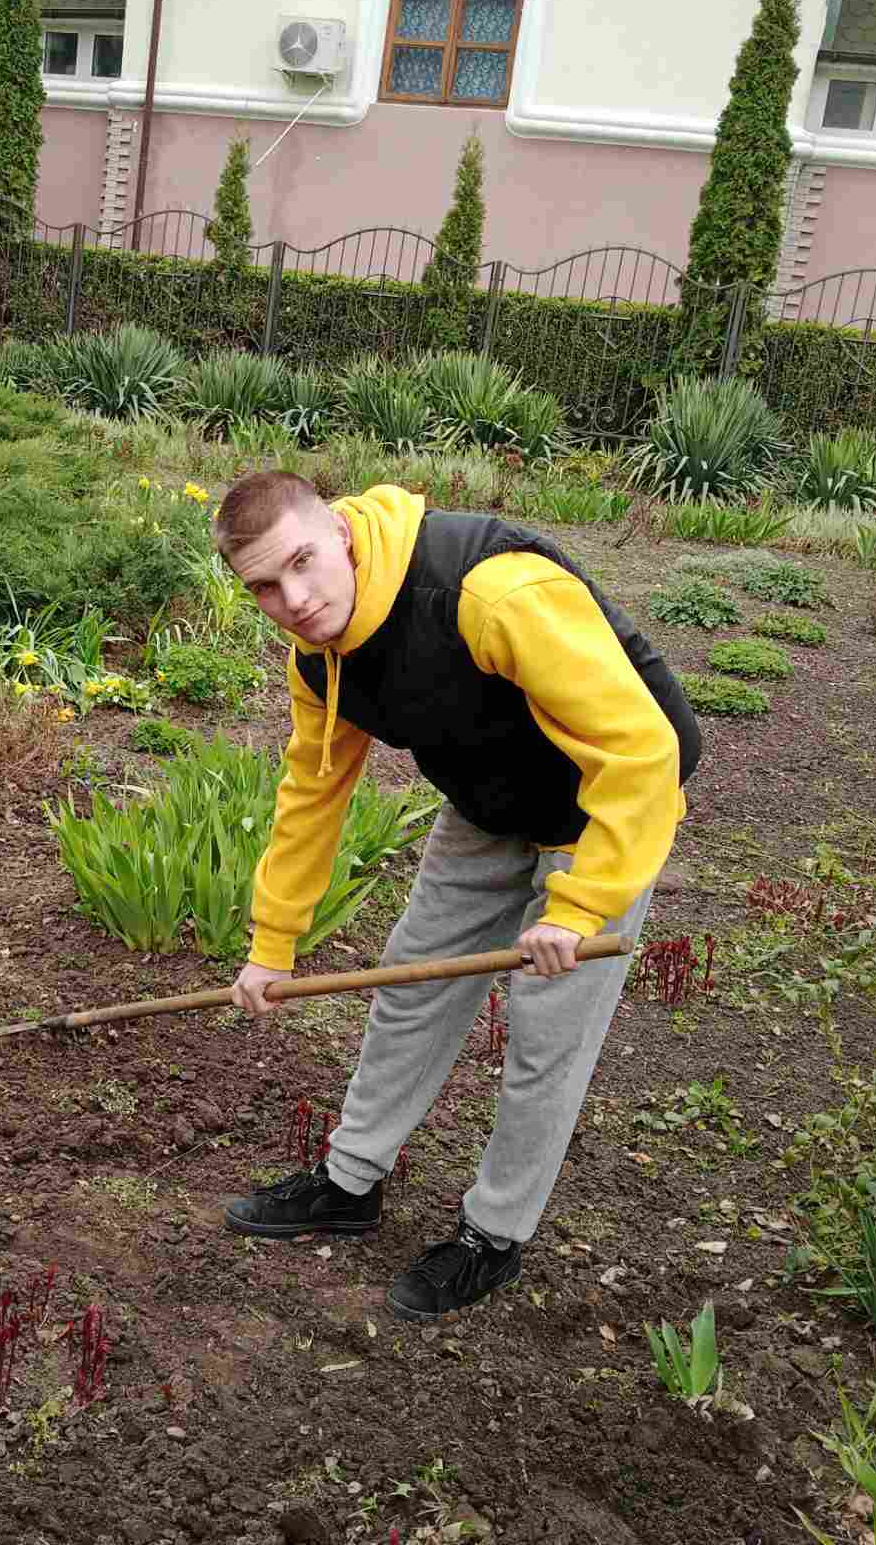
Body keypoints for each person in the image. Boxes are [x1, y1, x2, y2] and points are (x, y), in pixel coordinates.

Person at [215, 471, 701, 1321]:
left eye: (301, 562)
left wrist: (579, 906)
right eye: (264, 585)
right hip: (488, 801)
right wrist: (272, 943)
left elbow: (641, 751)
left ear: (340, 534)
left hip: (603, 807)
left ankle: (494, 1235)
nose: (293, 599)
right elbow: (311, 793)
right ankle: (348, 1182)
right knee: (411, 986)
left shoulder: (488, 591)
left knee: (546, 1037)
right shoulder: (322, 660)